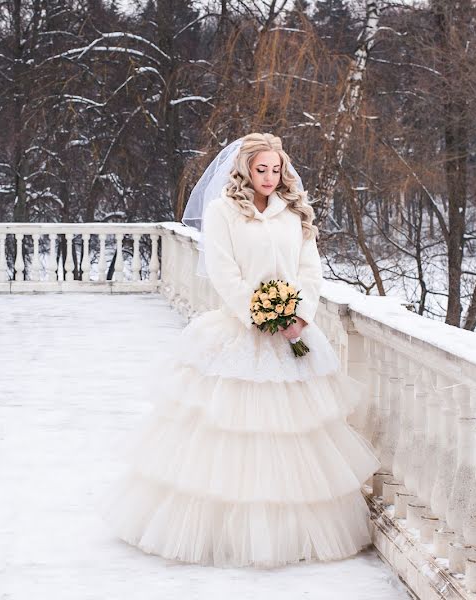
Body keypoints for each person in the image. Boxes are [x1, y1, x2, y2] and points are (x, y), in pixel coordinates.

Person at [98, 132, 380, 568]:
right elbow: (222, 272)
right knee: (231, 434)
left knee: (292, 435)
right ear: (245, 170)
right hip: (238, 334)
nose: (270, 177)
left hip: (293, 337)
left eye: (276, 168)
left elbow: (311, 271)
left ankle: (289, 532)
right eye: (260, 168)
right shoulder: (222, 212)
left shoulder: (295, 213)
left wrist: (298, 316)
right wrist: (260, 315)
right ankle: (226, 532)